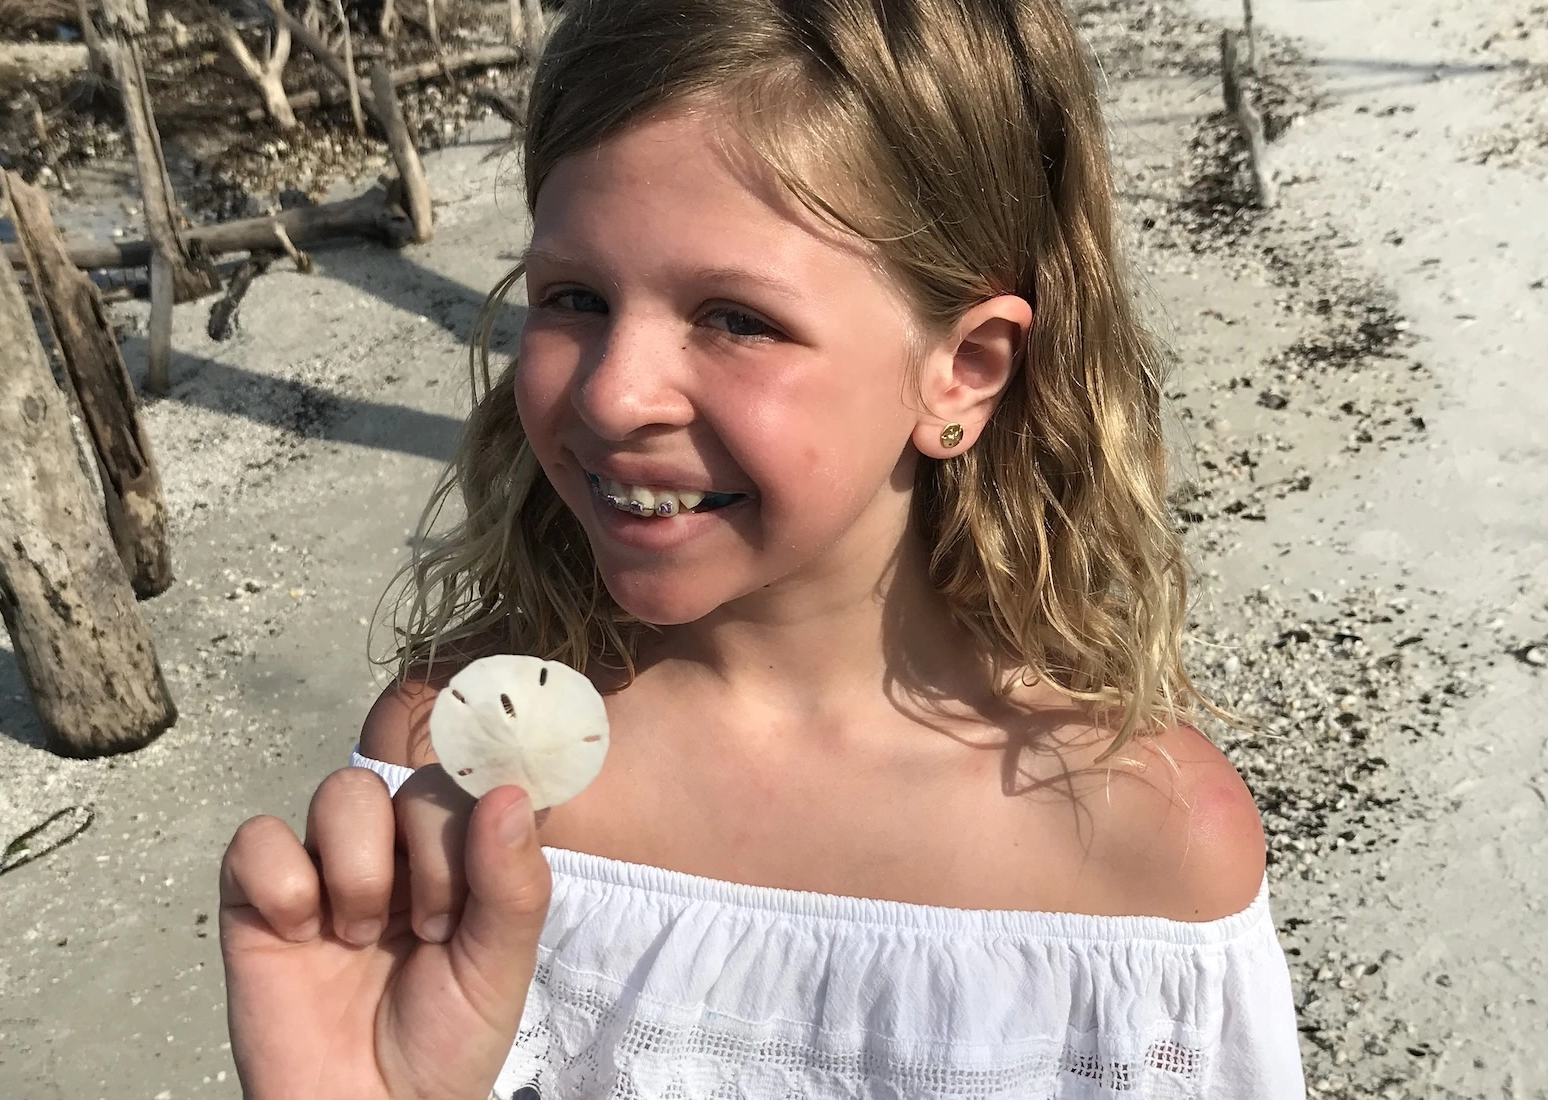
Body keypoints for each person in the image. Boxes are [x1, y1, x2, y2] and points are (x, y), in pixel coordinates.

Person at [219, 0, 1306, 1096]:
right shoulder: (465, 770)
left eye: (737, 318)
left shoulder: (1143, 842)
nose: (613, 390)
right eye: (575, 297)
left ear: (964, 367)